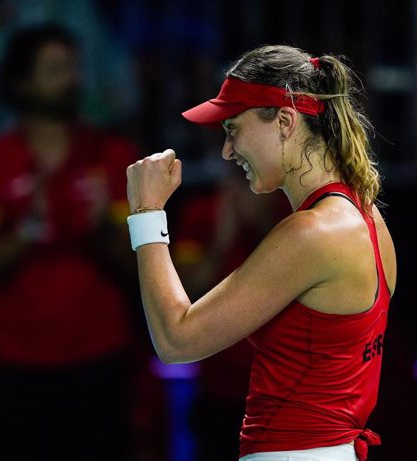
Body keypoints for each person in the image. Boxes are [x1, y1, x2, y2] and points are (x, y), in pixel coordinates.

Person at [125, 45, 397, 461]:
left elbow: (175, 341)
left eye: (233, 129)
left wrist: (147, 213)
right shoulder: (365, 215)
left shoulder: (313, 233)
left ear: (285, 122)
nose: (227, 151)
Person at [0, 23, 138, 461]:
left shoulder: (115, 159)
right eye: (55, 69)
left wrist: (102, 229)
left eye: (74, 68)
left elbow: (144, 269)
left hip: (99, 363)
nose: (72, 79)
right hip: (13, 366)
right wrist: (28, 228)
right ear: (22, 82)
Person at [172, 165, 289, 461]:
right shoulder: (202, 213)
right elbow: (186, 290)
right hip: (218, 392)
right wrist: (224, 237)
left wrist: (264, 228)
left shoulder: (293, 216)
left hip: (282, 396)